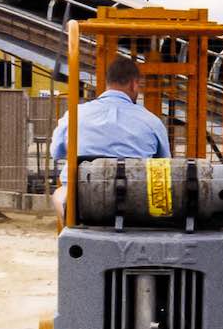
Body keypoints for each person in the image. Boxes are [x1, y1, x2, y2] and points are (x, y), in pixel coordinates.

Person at [51, 56, 171, 219]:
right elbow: (165, 165)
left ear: (107, 82)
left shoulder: (74, 114)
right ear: (133, 84)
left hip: (83, 201)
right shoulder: (152, 121)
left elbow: (55, 152)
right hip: (135, 203)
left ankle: (71, 224)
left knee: (59, 194)